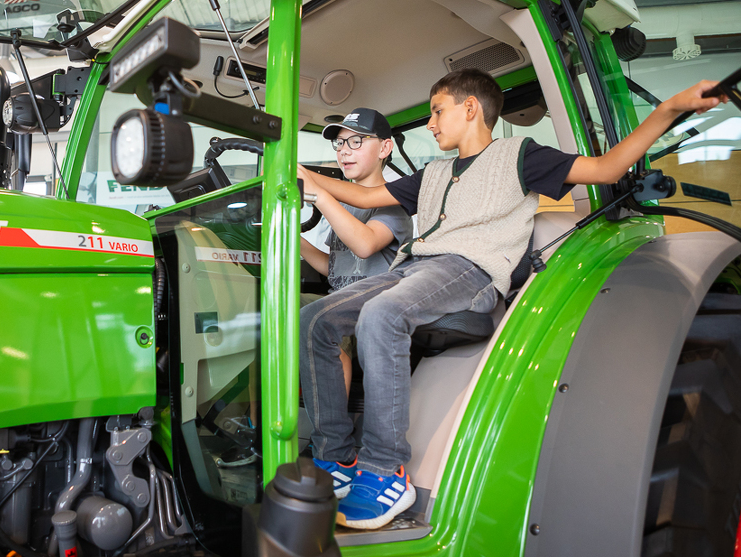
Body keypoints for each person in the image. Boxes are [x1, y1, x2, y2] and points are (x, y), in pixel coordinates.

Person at [297, 68, 728, 530]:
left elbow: (606, 168)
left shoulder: (519, 156)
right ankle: (335, 458)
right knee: (314, 318)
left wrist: (668, 109)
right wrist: (301, 175)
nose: (430, 124)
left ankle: (385, 470)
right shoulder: (435, 172)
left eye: (437, 111)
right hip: (414, 267)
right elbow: (363, 193)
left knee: (382, 315)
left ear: (470, 108)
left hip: (469, 271)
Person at [300, 108, 414, 398]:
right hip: (337, 297)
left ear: (385, 148)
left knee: (317, 319)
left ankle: (329, 434)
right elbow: (336, 268)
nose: (344, 152)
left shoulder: (393, 203)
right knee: (268, 306)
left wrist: (321, 195)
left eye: (356, 142)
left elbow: (364, 245)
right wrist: (294, 240)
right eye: (340, 143)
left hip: (369, 307)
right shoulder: (344, 206)